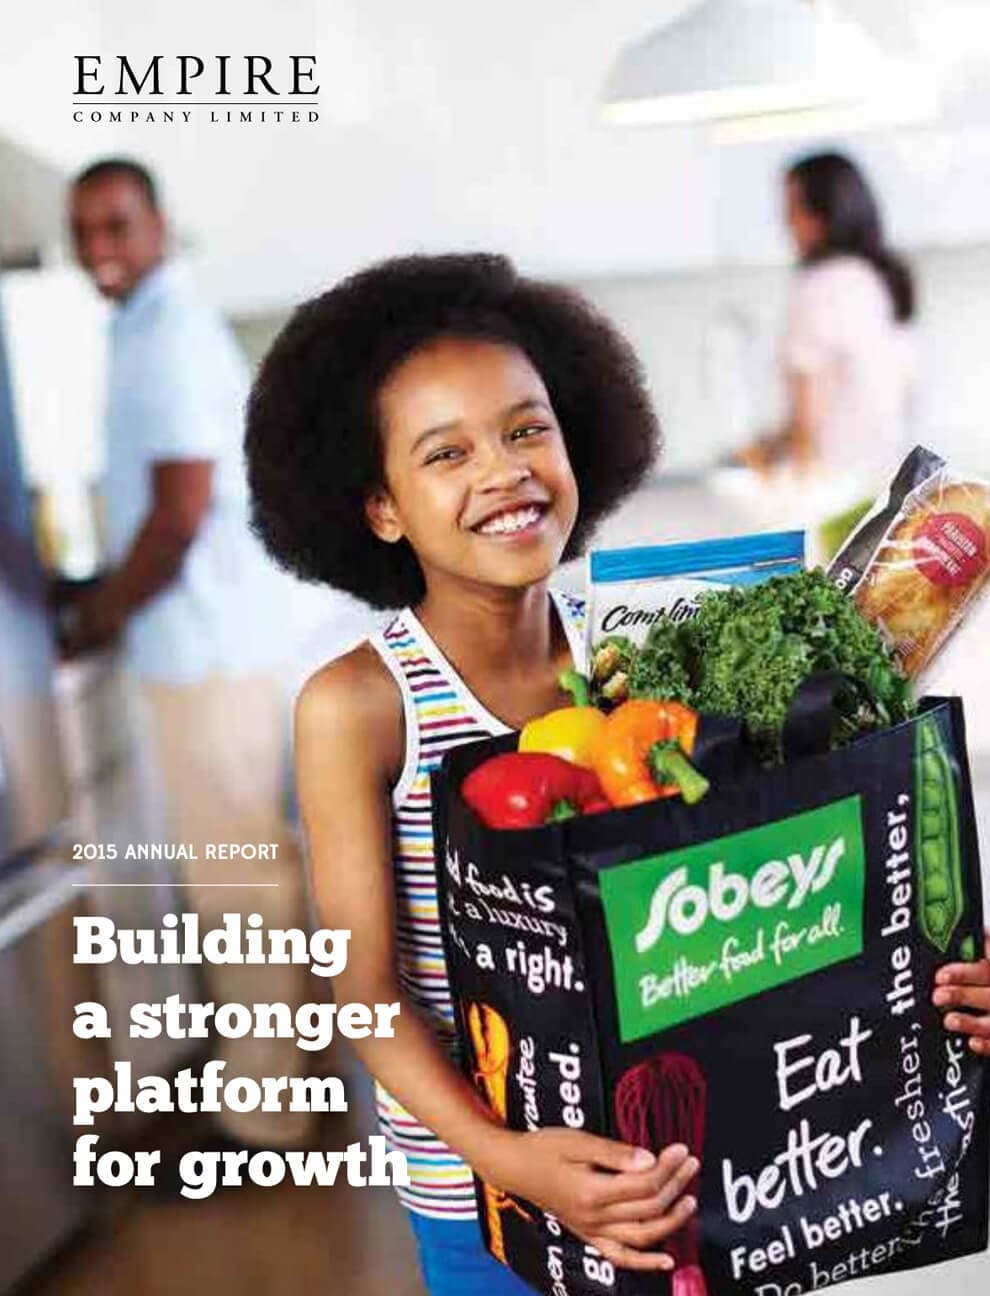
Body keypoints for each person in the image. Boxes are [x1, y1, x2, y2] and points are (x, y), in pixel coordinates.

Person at [243, 253, 990, 1290]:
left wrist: (936, 958)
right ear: (380, 507)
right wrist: (513, 1159)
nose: (503, 470)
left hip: (699, 1171)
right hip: (487, 1200)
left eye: (526, 428)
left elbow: (762, 896)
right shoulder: (360, 706)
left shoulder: (640, 653)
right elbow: (364, 988)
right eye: (446, 452)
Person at [67, 157, 317, 1154]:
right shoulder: (142, 328)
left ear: (160, 224)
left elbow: (175, 517)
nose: (100, 249)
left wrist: (99, 616)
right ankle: (282, 1085)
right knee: (253, 873)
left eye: (117, 226)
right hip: (218, 646)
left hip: (208, 656)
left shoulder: (165, 334)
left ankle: (266, 1118)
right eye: (85, 231)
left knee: (239, 885)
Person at [744, 151, 918, 521]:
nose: (786, 222)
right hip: (883, 480)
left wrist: (796, 498)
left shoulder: (821, 284)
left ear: (826, 214)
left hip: (833, 489)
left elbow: (811, 401)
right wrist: (773, 444)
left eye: (794, 208)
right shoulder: (876, 278)